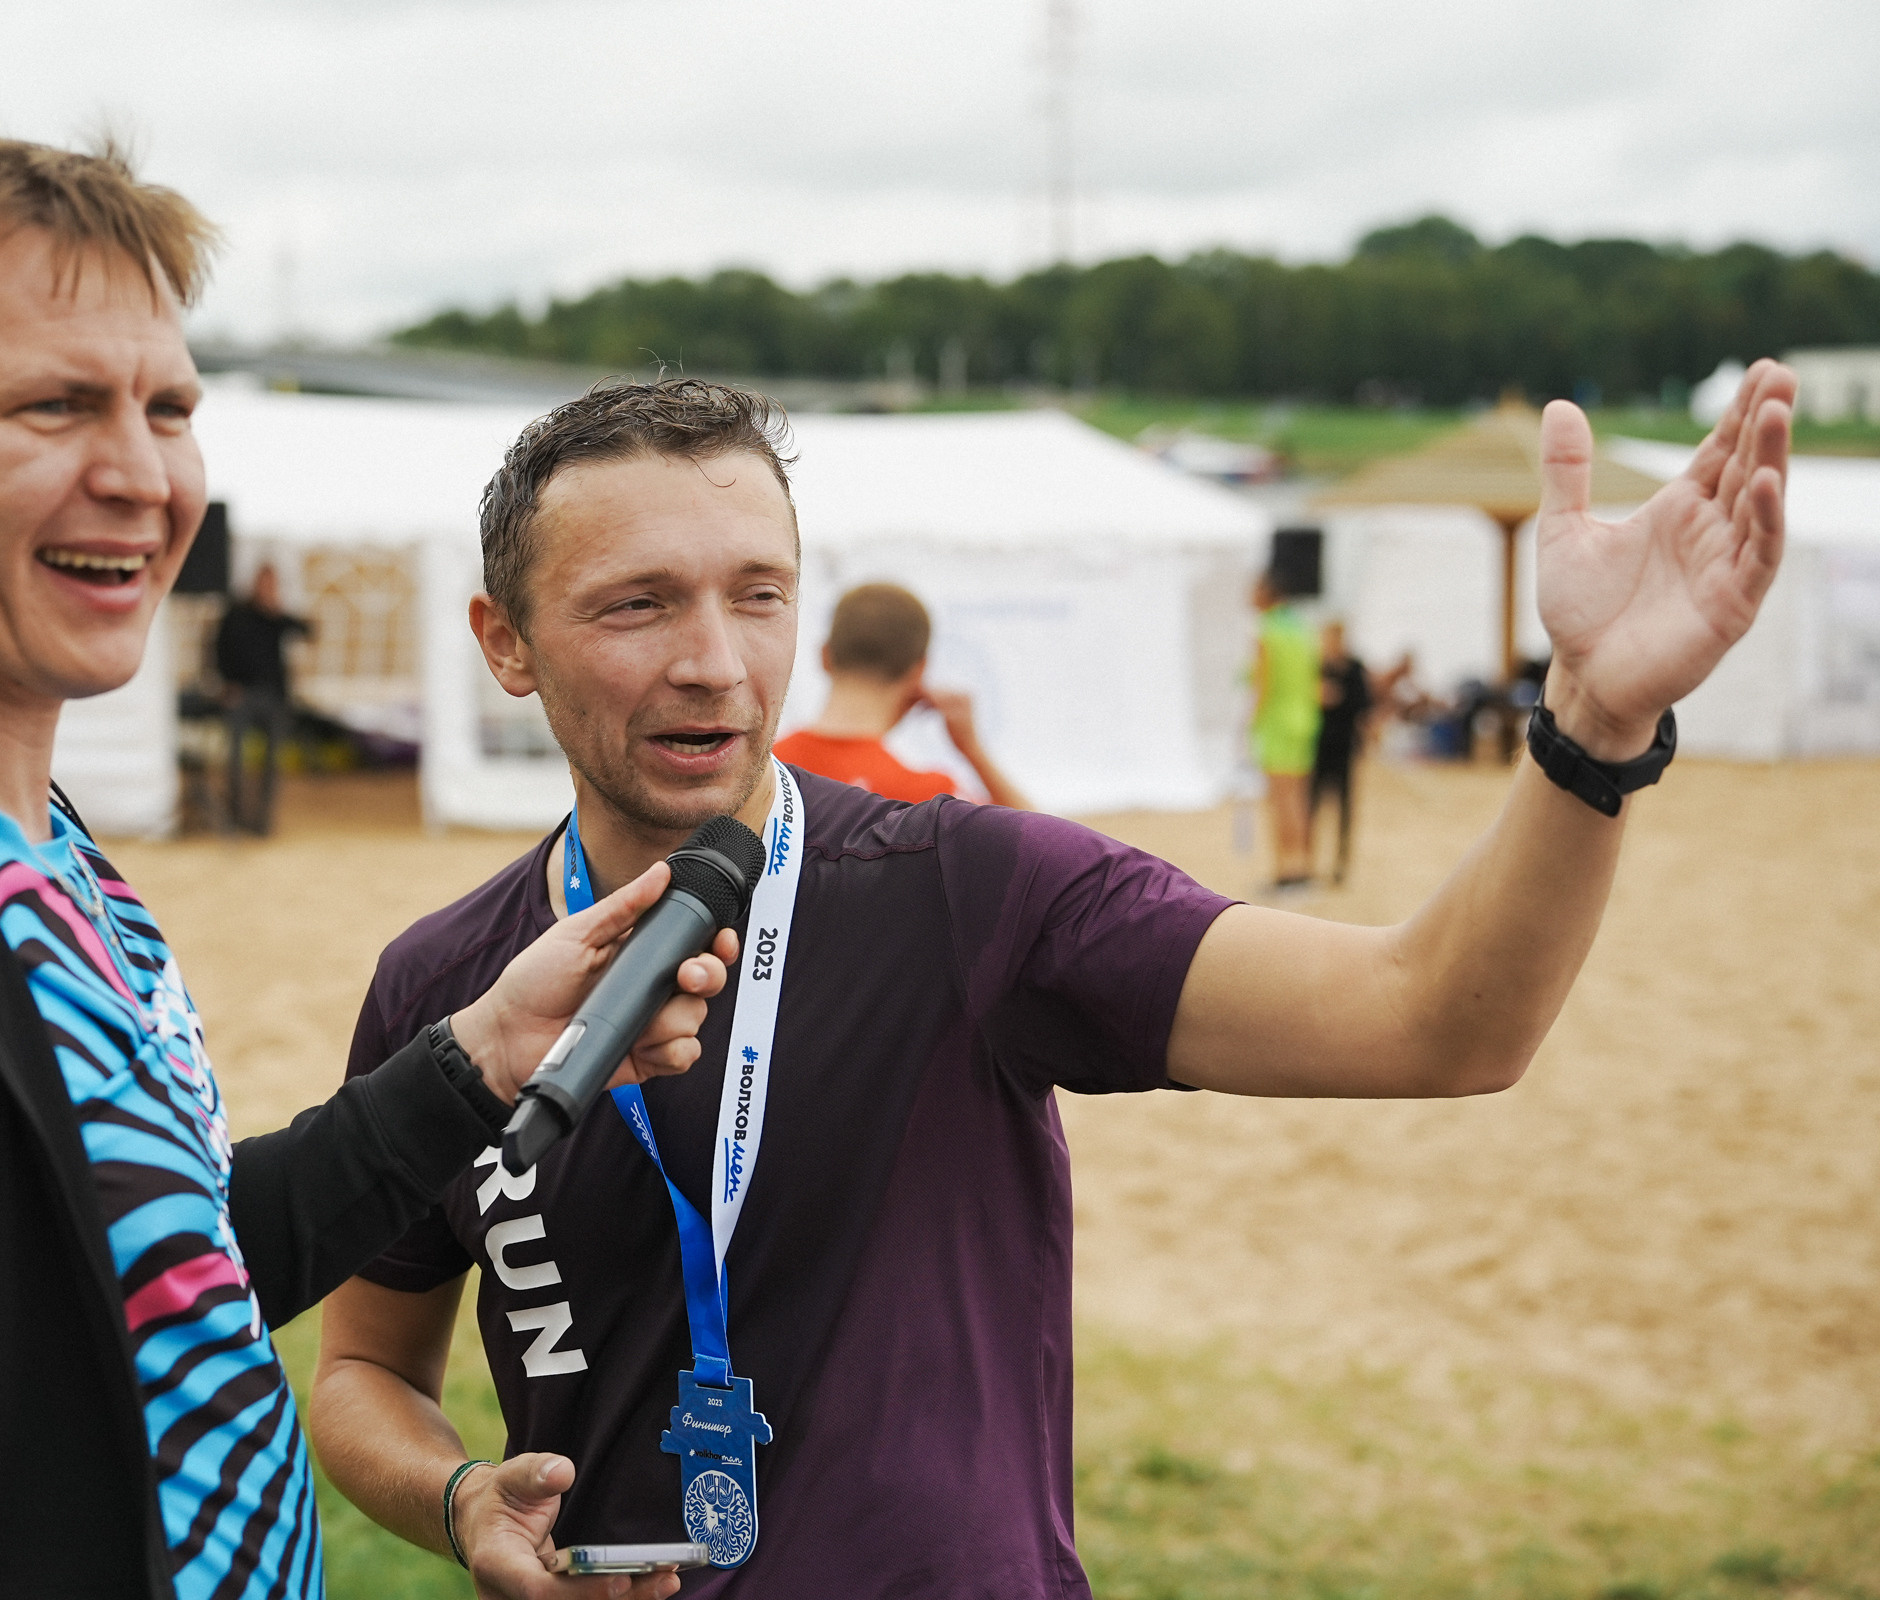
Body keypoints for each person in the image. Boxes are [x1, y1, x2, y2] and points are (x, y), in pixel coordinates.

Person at [308, 364, 1795, 1599]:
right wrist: (456, 1503)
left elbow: (1439, 1020)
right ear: (505, 641)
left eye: (758, 596)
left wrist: (1590, 727)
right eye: (639, 605)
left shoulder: (974, 891)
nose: (716, 661)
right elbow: (365, 1362)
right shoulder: (446, 984)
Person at [0, 137, 729, 1600]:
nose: (143, 476)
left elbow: (166, 1275)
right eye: (54, 406)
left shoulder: (35, 845)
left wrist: (478, 1057)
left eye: (168, 408)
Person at [772, 581, 1030, 808]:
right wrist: (973, 750)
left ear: (825, 656)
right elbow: (1046, 846)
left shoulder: (765, 770)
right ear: (919, 671)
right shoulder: (932, 799)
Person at [215, 561, 313, 833]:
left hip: (274, 697)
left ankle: (262, 823)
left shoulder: (275, 617)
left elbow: (307, 631)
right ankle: (236, 819)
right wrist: (227, 685)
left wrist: (277, 610)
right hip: (242, 695)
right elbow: (219, 650)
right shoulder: (236, 614)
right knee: (236, 761)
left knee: (272, 763)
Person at [1251, 571, 1322, 887]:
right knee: (1300, 799)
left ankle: (1287, 870)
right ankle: (1304, 864)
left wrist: (1251, 721)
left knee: (1282, 801)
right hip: (1305, 719)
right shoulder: (1301, 629)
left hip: (1277, 722)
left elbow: (1262, 685)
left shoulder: (1267, 631)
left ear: (1267, 593)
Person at [1311, 620, 1373, 884]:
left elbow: (1364, 704)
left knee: (1344, 808)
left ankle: (1340, 862)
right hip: (1317, 746)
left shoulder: (1355, 668)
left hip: (1345, 746)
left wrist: (1338, 697)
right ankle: (1308, 861)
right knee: (1312, 806)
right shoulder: (1315, 667)